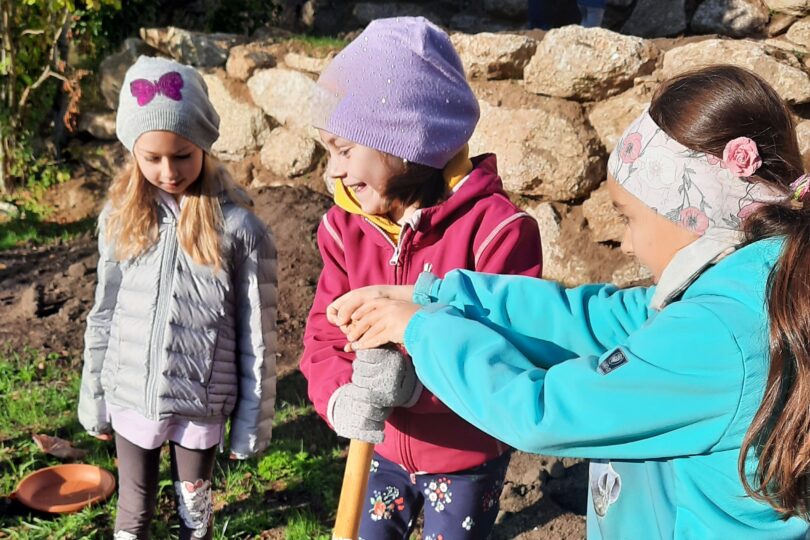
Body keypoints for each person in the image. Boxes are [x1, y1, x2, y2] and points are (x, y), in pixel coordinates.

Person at [328, 65, 810, 538]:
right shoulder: (748, 283)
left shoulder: (716, 338)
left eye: (630, 219)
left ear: (692, 215)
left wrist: (423, 329)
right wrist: (438, 295)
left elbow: (543, 412)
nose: (625, 244)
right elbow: (601, 319)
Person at [300, 17, 543, 540]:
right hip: (381, 450)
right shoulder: (345, 230)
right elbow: (323, 329)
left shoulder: (498, 232)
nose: (334, 172)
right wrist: (340, 397)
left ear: (407, 140)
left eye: (345, 149)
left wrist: (416, 387)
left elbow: (508, 354)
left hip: (464, 456)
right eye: (328, 152)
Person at [78, 56, 277, 540]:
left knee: (195, 513)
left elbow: (258, 334)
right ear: (133, 153)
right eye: (152, 158)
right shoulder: (119, 219)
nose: (168, 171)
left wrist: (251, 421)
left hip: (199, 409)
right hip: (130, 400)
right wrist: (95, 396)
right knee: (132, 515)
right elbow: (103, 312)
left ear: (205, 147)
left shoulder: (239, 229)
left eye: (183, 155)